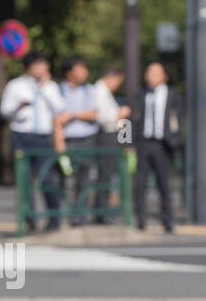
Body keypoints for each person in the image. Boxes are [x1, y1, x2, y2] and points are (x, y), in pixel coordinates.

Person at [0, 51, 66, 233]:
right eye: (37, 65)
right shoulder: (16, 86)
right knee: (24, 181)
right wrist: (18, 106)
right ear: (28, 67)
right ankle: (29, 220)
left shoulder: (51, 87)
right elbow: (4, 110)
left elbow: (60, 108)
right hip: (21, 135)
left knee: (48, 178)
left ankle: (54, 218)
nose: (41, 69)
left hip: (43, 137)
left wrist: (45, 88)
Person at [132, 61, 181, 233]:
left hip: (163, 144)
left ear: (163, 76)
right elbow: (128, 119)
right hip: (143, 143)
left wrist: (175, 140)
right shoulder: (139, 95)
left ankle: (167, 221)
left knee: (164, 184)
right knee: (140, 183)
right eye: (148, 72)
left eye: (155, 73)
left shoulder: (173, 95)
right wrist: (127, 143)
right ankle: (140, 221)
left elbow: (179, 119)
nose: (150, 77)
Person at [58, 56, 100, 224]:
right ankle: (61, 216)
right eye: (80, 68)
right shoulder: (58, 90)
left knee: (84, 179)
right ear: (69, 72)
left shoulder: (89, 90)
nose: (85, 72)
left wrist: (73, 115)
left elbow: (94, 113)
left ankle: (80, 215)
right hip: (65, 140)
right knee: (63, 178)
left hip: (86, 139)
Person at [92, 65, 130, 222]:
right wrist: (119, 114)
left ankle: (102, 210)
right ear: (111, 77)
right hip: (106, 136)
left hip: (113, 135)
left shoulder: (104, 91)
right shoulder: (99, 91)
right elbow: (102, 116)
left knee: (108, 175)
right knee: (105, 176)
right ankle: (100, 212)